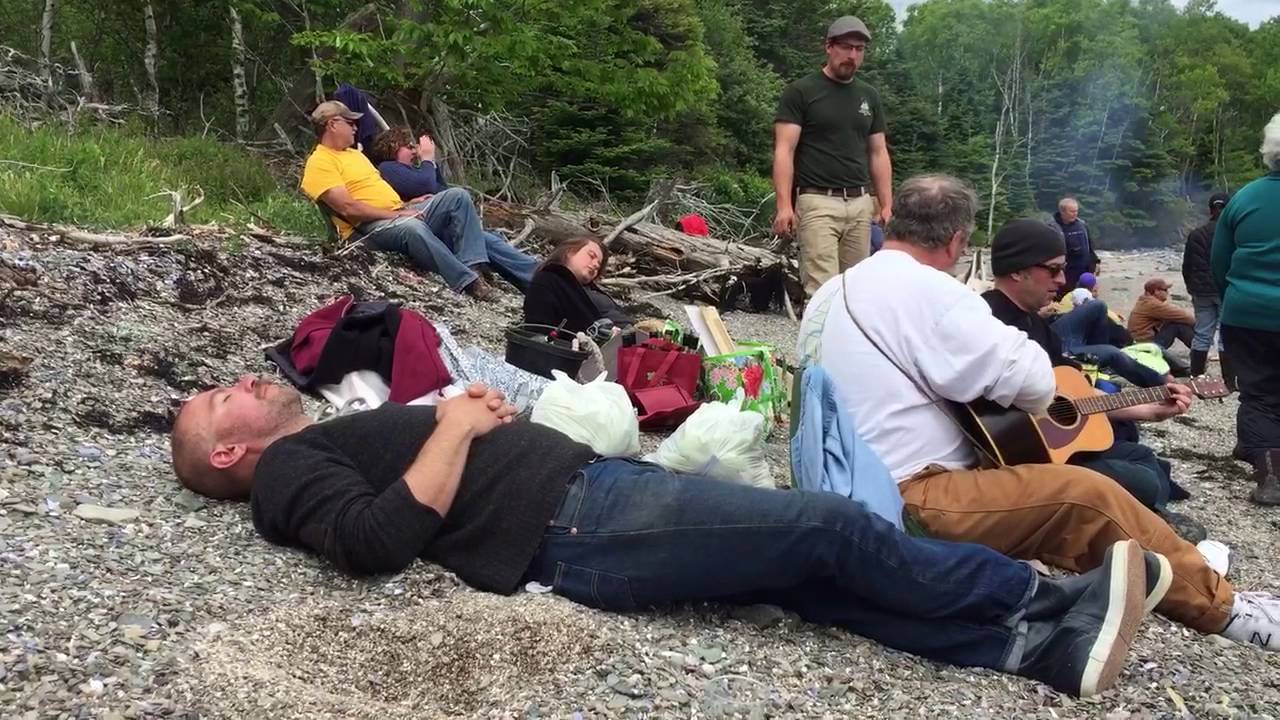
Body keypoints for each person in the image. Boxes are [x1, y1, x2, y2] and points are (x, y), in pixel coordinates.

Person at [169, 375, 1160, 698]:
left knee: (808, 573)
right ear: (228, 455)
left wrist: (471, 425)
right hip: (574, 524)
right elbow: (376, 540)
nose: (245, 383)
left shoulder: (317, 442)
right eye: (225, 399)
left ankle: (1033, 651)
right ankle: (1034, 605)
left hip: (586, 502)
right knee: (830, 522)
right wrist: (454, 425)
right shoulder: (288, 472)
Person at [798, 173, 1280, 652]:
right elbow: (1035, 382)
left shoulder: (832, 290)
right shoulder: (930, 291)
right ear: (957, 240)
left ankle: (1169, 566)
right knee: (1087, 494)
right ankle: (1226, 609)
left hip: (835, 484)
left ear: (895, 219)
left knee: (1070, 485)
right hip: (904, 498)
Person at [981, 220, 1200, 526]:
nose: (1062, 280)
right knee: (1145, 479)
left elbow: (1075, 399)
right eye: (1054, 269)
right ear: (1018, 271)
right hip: (1023, 461)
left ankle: (1152, 513)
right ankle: (1153, 519)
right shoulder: (986, 321)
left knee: (1144, 457)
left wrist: (1149, 410)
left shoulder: (1037, 324)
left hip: (1054, 449)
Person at [300, 102, 495, 300]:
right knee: (412, 228)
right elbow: (348, 208)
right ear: (332, 124)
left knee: (457, 196)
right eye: (350, 122)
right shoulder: (320, 162)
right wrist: (397, 214)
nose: (355, 127)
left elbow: (377, 193)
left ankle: (473, 265)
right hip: (365, 228)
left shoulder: (354, 155)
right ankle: (468, 282)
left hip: (395, 213)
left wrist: (408, 205)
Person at [772, 16, 893, 298]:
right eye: (847, 47)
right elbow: (784, 150)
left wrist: (886, 204)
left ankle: (847, 343)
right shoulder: (801, 91)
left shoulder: (868, 96)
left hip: (861, 203)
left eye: (859, 49)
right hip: (816, 201)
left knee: (856, 291)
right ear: (829, 46)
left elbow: (878, 151)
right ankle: (817, 342)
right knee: (822, 291)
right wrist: (783, 206)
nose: (852, 55)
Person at [363, 126, 541, 293]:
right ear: (393, 147)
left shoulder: (417, 170)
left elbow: (440, 189)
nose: (414, 151)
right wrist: (427, 160)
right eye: (408, 147)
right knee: (460, 198)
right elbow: (425, 186)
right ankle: (472, 267)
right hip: (416, 226)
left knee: (488, 240)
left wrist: (430, 166)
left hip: (434, 225)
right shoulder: (388, 168)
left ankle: (538, 277)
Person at [1212, 111, 1280, 505]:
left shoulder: (1245, 197)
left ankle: (1268, 473)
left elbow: (1221, 263)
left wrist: (1235, 301)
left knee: (1259, 394)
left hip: (1246, 313)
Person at [522, 237, 633, 334]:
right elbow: (539, 331)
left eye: (598, 265)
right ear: (569, 252)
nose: (595, 265)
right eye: (591, 256)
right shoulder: (549, 281)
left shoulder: (588, 290)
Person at [1182, 193, 1230, 378]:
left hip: (1200, 291)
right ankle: (1228, 377)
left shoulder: (1196, 234)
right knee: (1226, 334)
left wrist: (1190, 286)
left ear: (1210, 209)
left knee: (1202, 332)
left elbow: (1187, 265)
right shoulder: (1232, 233)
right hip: (1224, 289)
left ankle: (1196, 374)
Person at [1128, 279, 1195, 350]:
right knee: (1177, 325)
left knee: (1172, 321)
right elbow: (1185, 316)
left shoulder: (1145, 301)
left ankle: (1200, 350)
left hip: (1140, 342)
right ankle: (1200, 351)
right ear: (1156, 291)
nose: (1168, 293)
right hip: (1146, 346)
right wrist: (1201, 328)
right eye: (1165, 290)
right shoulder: (1152, 304)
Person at [1050, 198, 1099, 290]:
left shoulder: (1082, 225)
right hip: (1064, 274)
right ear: (1062, 211)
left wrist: (1096, 262)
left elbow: (1090, 247)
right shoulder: (1053, 228)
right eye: (1072, 211)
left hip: (1083, 273)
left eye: (1076, 211)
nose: (1075, 214)